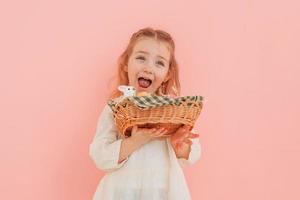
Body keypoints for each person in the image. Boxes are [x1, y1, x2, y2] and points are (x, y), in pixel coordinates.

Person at [89, 27, 202, 200]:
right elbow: (100, 155)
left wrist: (181, 146)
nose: (149, 68)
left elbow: (193, 155)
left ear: (167, 74)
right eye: (141, 58)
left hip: (163, 192)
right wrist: (134, 141)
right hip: (122, 192)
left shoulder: (174, 109)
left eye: (159, 63)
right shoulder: (117, 108)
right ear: (126, 64)